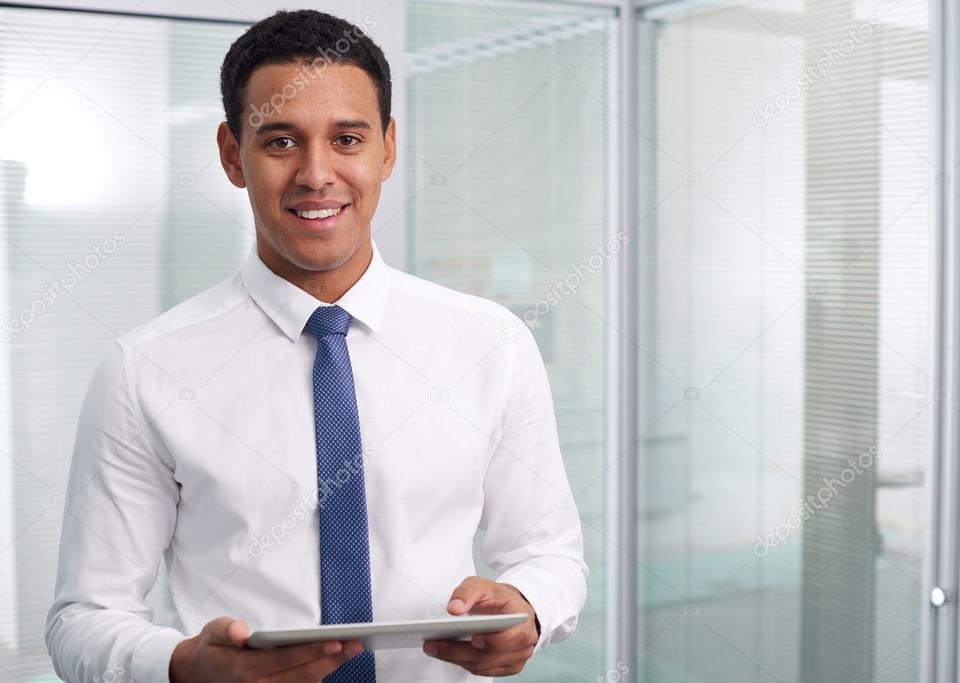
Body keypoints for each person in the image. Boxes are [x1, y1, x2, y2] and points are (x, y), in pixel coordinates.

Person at [44, 9, 587, 682]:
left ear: (387, 147)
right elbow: (81, 618)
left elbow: (549, 551)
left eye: (347, 138)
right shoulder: (143, 371)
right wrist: (182, 664)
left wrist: (529, 605)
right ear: (230, 154)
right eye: (279, 141)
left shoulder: (491, 343)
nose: (316, 173)